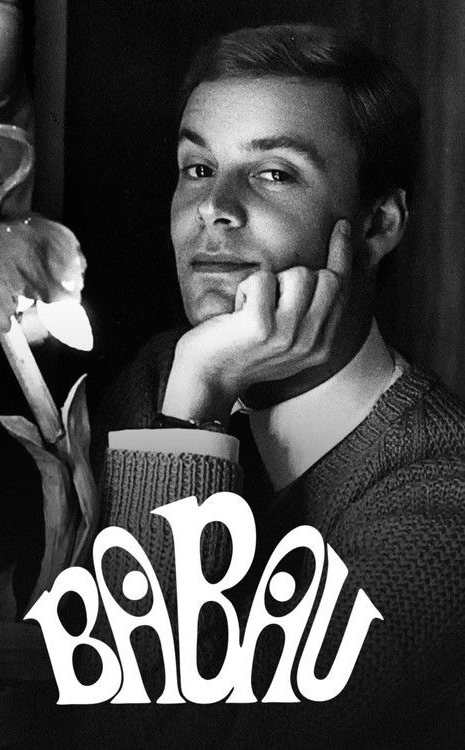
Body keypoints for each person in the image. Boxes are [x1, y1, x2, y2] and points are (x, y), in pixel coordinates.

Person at [82, 23, 465, 749]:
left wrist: (194, 408)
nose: (214, 207)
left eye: (274, 173)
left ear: (378, 225)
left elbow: (141, 727)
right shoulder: (157, 377)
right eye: (198, 167)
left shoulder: (443, 505)